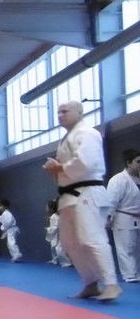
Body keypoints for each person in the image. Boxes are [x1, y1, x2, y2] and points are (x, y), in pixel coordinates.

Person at [42, 101, 121, 301]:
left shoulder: (87, 133)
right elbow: (65, 172)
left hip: (88, 192)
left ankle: (111, 284)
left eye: (65, 111)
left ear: (80, 112)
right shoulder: (66, 138)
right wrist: (55, 171)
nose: (60, 115)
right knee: (69, 242)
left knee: (91, 239)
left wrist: (60, 168)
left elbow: (87, 163)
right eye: (58, 112)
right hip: (69, 195)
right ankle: (90, 283)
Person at [106, 148, 140, 283]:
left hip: (137, 217)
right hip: (123, 218)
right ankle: (129, 275)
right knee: (126, 248)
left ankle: (137, 272)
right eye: (138, 162)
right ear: (128, 163)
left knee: (137, 248)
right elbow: (111, 201)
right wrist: (107, 217)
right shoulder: (118, 180)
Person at [46, 199, 72, 267]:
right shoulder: (55, 216)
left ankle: (67, 263)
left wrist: (49, 229)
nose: (46, 209)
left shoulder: (55, 217)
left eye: (47, 207)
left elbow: (55, 227)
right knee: (53, 246)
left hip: (62, 233)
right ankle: (55, 260)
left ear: (51, 209)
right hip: (59, 233)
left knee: (58, 249)